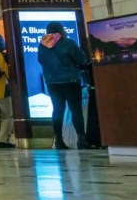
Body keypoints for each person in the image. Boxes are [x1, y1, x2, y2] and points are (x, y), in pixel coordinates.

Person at [38, 21, 95, 150]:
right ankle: (81, 139)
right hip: (70, 81)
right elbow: (82, 60)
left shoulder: (42, 46)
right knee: (76, 110)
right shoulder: (68, 43)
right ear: (61, 30)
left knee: (57, 110)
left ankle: (59, 140)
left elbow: (41, 61)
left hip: (52, 83)